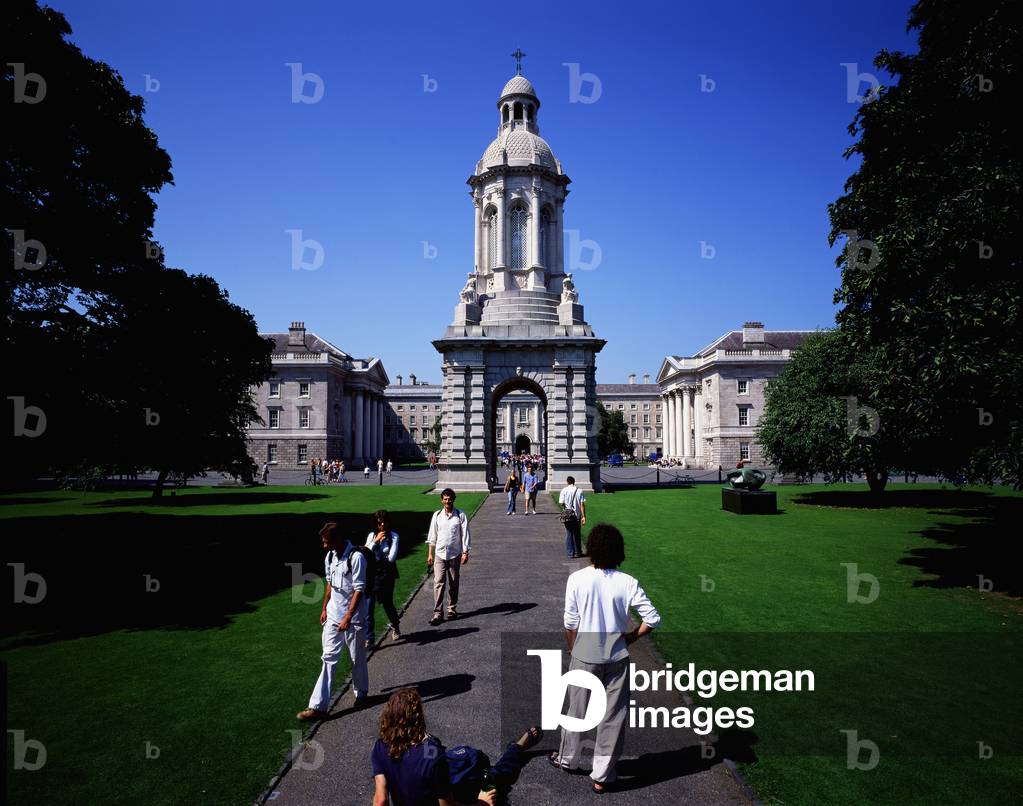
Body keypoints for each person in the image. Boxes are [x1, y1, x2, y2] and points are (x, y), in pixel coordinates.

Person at [548, 524, 660, 794]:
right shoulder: (627, 582)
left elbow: (570, 622)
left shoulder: (577, 579)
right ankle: (603, 773)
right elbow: (653, 619)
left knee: (576, 711)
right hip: (616, 655)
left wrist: (573, 649)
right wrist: (631, 638)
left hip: (585, 653)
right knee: (613, 716)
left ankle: (568, 758)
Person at [372, 688, 542, 806]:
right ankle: (517, 747)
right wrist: (480, 803)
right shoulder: (431, 754)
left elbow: (380, 800)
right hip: (444, 789)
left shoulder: (381, 747)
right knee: (493, 776)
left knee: (466, 765)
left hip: (437, 780)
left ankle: (515, 749)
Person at [297, 522, 370, 720]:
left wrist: (348, 617)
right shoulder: (330, 556)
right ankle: (318, 706)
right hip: (333, 616)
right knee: (328, 657)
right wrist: (324, 608)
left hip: (353, 619)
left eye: (326, 542)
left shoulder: (356, 558)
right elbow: (329, 584)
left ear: (337, 539)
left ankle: (361, 693)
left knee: (357, 657)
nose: (324, 546)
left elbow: (359, 589)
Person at [426, 488, 470, 625]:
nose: (447, 501)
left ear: (453, 499)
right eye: (445, 499)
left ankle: (452, 608)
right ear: (441, 500)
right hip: (439, 554)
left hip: (454, 554)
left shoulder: (460, 515)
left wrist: (465, 552)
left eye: (449, 499)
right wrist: (430, 554)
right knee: (438, 582)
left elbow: (465, 535)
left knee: (453, 583)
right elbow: (432, 536)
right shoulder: (437, 515)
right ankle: (437, 612)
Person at [365, 509, 402, 644]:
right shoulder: (372, 536)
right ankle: (369, 638)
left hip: (386, 575)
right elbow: (365, 552)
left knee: (387, 603)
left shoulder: (394, 536)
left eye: (384, 523)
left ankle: (395, 625)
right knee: (369, 606)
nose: (382, 526)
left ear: (388, 523)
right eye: (379, 523)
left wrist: (375, 558)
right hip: (372, 575)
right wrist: (376, 541)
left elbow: (391, 558)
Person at [557, 476, 587, 558]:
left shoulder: (564, 490)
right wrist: (584, 516)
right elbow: (582, 505)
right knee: (577, 534)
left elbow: (561, 502)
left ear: (567, 482)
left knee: (569, 533)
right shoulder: (579, 491)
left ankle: (570, 553)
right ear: (574, 482)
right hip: (577, 515)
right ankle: (578, 551)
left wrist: (565, 508)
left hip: (568, 515)